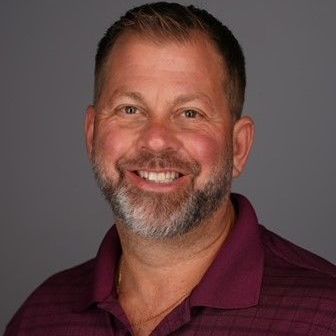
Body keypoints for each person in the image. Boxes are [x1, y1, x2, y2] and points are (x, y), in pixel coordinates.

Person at [5, 2, 336, 336]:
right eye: (130, 109)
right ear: (92, 134)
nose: (157, 141)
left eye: (190, 113)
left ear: (239, 146)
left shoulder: (324, 317)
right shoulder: (40, 318)